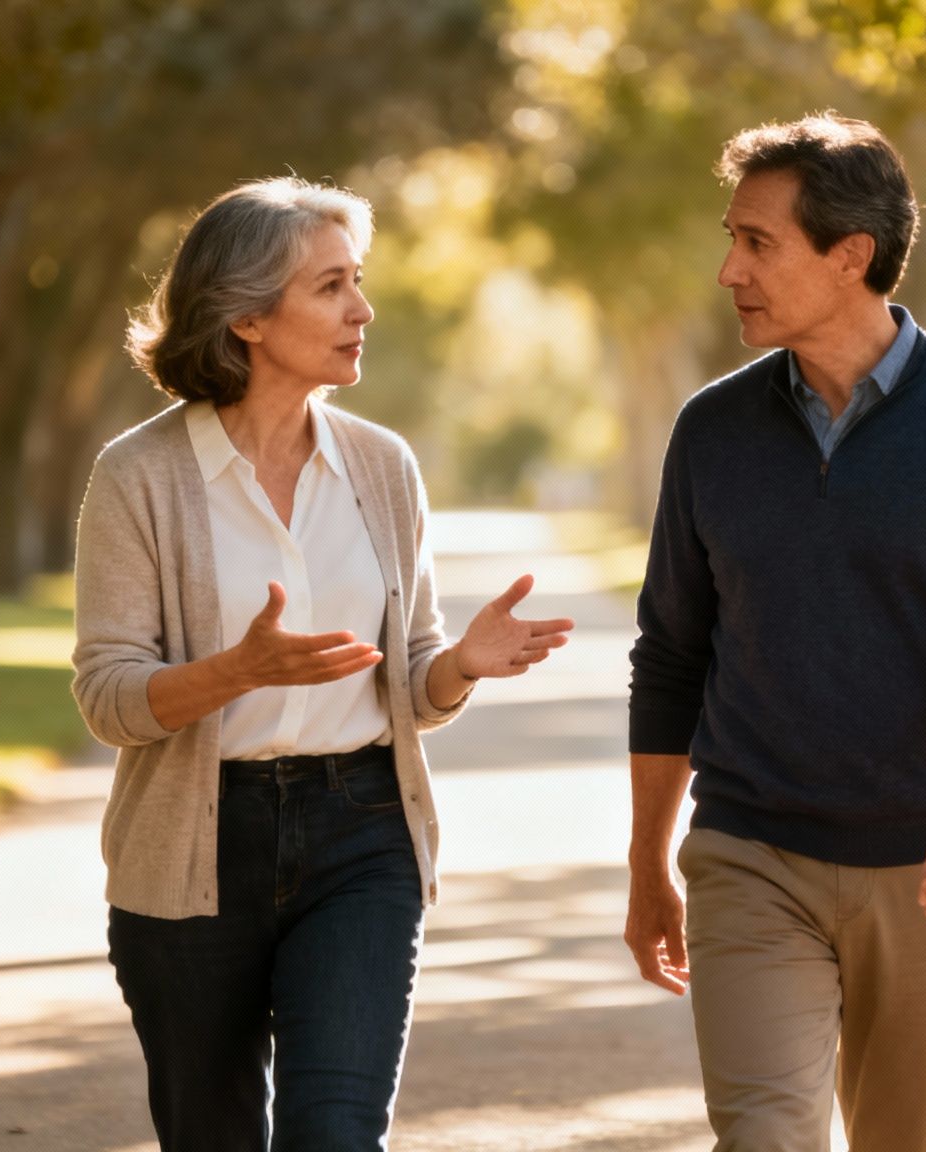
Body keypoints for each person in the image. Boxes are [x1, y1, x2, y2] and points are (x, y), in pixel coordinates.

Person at [622, 114, 926, 1152]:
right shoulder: (712, 430)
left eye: (757, 243)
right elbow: (668, 656)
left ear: (851, 257)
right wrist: (646, 858)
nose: (727, 270)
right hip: (750, 850)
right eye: (730, 237)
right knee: (765, 1137)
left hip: (925, 865)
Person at [71, 176, 575, 1152]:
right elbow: (106, 698)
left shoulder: (381, 467)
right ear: (248, 318)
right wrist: (235, 671)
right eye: (332, 286)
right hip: (193, 848)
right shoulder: (136, 475)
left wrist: (458, 664)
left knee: (335, 1136)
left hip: (361, 835)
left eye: (359, 281)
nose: (363, 310)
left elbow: (414, 682)